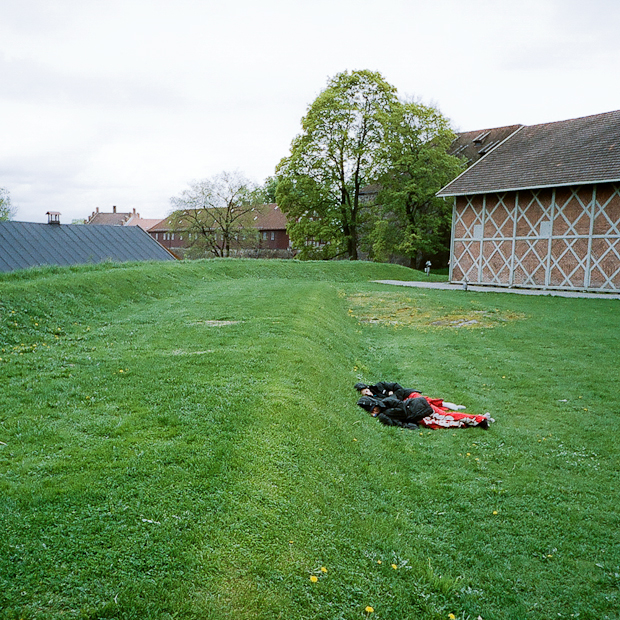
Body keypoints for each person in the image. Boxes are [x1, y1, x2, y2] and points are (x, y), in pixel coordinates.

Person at [357, 393, 494, 430]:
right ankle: (475, 421)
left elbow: (402, 407)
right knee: (442, 423)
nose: (374, 410)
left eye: (373, 407)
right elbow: (396, 423)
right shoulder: (384, 415)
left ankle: (479, 419)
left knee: (447, 417)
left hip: (420, 408)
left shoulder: (387, 402)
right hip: (418, 413)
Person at [355, 381, 466, 411]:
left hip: (406, 394)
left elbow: (397, 386)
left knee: (425, 399)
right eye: (365, 394)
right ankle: (445, 408)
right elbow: (390, 401)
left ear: (367, 388)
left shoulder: (380, 385)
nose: (367, 393)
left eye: (366, 391)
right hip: (403, 402)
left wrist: (393, 395)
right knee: (425, 405)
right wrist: (394, 395)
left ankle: (450, 405)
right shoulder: (376, 399)